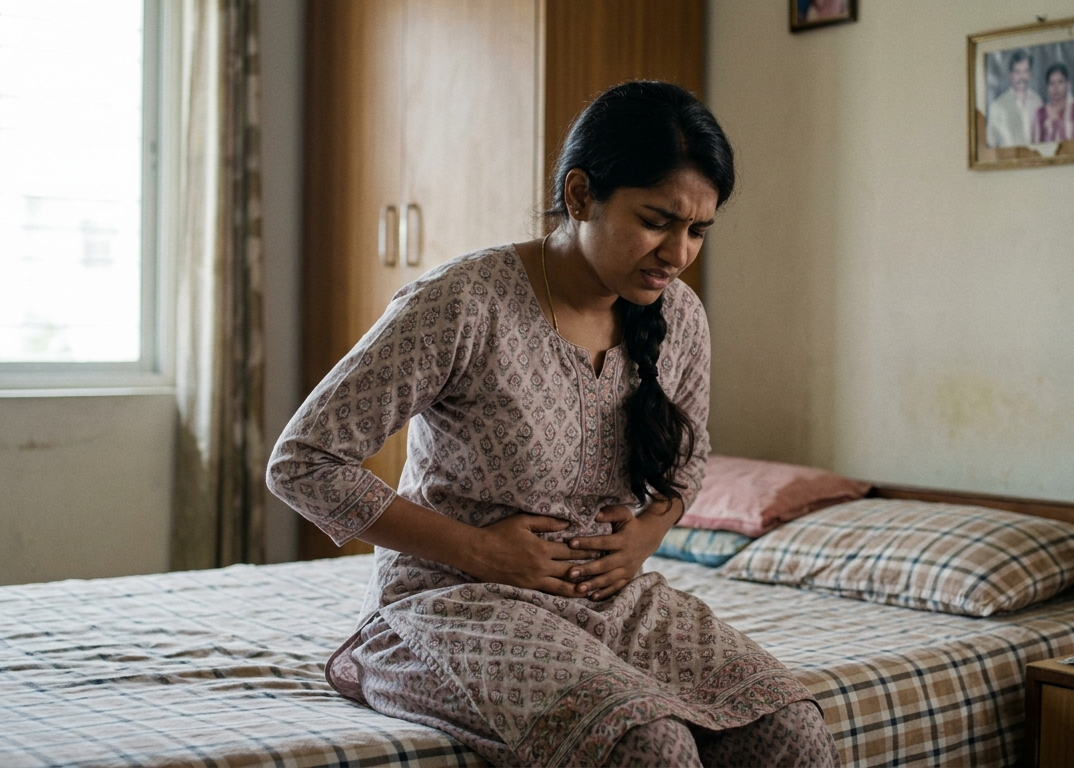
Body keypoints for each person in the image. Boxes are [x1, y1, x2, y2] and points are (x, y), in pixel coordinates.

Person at [268, 81, 840, 767]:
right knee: (647, 745)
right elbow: (303, 462)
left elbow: (689, 463)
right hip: (455, 603)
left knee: (792, 731)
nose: (678, 253)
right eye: (657, 220)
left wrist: (645, 539)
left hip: (612, 602)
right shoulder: (465, 303)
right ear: (579, 196)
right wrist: (483, 553)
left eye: (697, 230)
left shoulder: (679, 315)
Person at [986, 50, 1042, 148]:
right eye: (1017, 72)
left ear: (1030, 74)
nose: (1022, 77)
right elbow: (991, 144)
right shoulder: (997, 106)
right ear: (1011, 75)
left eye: (1025, 71)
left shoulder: (1037, 101)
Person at [1031, 62, 1074, 143]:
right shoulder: (1039, 115)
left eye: (1060, 82)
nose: (1056, 88)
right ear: (1047, 87)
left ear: (1068, 84)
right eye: (1051, 83)